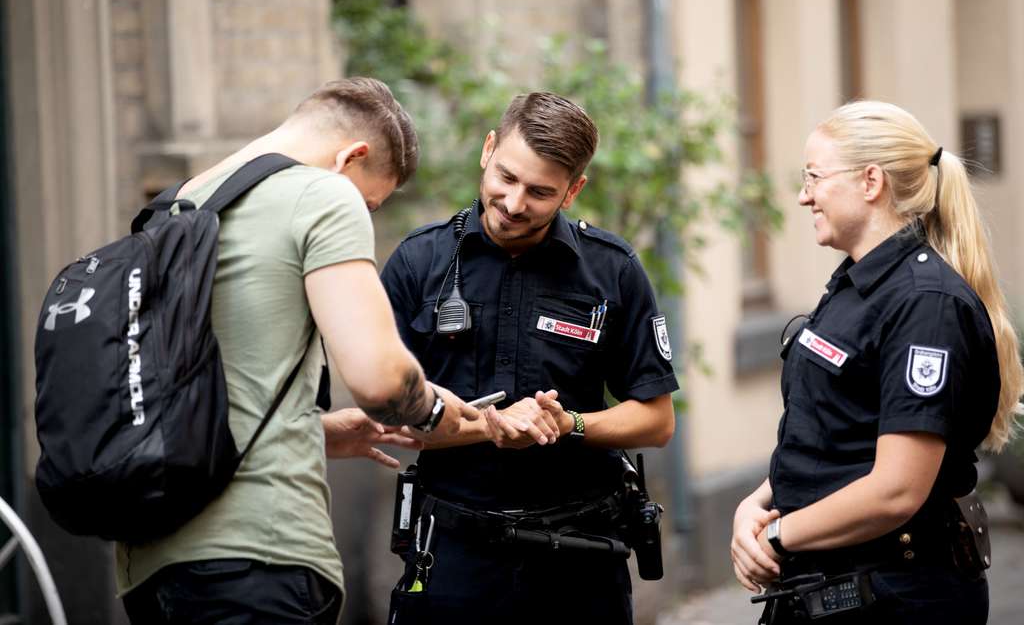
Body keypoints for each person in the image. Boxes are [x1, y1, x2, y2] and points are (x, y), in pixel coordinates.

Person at [116, 77, 479, 624]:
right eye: (369, 203)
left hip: (150, 565)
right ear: (352, 157)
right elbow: (380, 381)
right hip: (260, 555)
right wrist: (433, 413)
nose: (364, 214)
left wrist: (313, 432)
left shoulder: (179, 206)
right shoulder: (322, 193)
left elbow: (207, 390)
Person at [380, 92, 678, 624]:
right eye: (507, 178)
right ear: (487, 150)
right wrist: (489, 427)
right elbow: (389, 417)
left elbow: (657, 421)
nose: (515, 204)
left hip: (580, 560)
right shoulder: (418, 262)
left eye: (540, 192)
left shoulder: (612, 270)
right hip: (453, 554)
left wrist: (569, 425)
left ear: (573, 191)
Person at [730, 100, 1024, 624]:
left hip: (894, 596)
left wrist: (776, 535)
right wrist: (755, 505)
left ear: (871, 182)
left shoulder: (926, 304)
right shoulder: (855, 286)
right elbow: (835, 430)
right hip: (826, 587)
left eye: (814, 177)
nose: (803, 195)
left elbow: (897, 490)